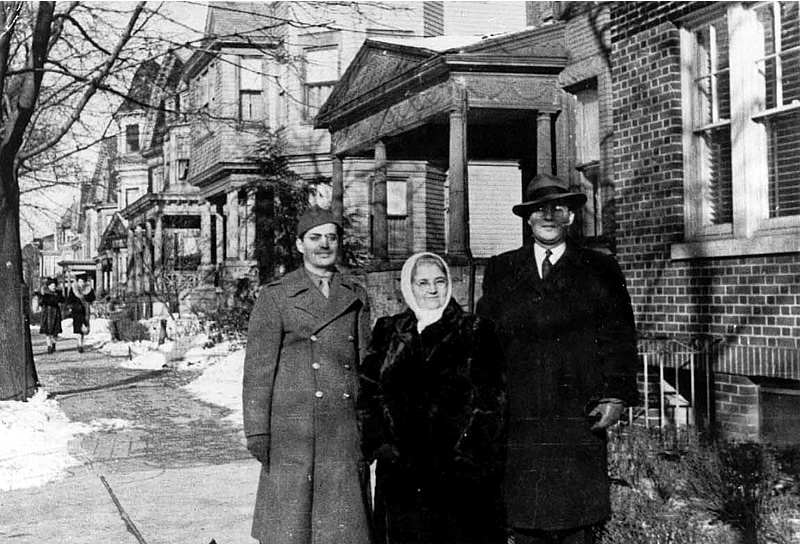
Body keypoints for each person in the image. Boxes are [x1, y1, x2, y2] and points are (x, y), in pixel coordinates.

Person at [476, 173, 639, 544]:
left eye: (558, 208)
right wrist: (488, 404)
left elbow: (619, 338)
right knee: (525, 516)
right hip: (521, 413)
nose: (548, 216)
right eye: (539, 210)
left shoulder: (600, 269)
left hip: (579, 410)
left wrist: (616, 395)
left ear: (571, 217)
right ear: (527, 218)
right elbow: (485, 343)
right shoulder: (502, 269)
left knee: (576, 520)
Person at [242, 206, 373, 544]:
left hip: (342, 430)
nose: (324, 244)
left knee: (342, 531)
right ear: (300, 245)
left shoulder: (354, 295)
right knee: (291, 529)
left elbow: (366, 367)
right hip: (293, 430)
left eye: (331, 237)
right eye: (315, 238)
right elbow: (258, 371)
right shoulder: (276, 296)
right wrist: (258, 430)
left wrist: (369, 426)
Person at [359, 252, 507, 544]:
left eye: (439, 281)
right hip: (402, 475)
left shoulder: (475, 329)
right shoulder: (389, 330)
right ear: (409, 286)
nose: (432, 290)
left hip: (459, 477)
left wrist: (467, 455)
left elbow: (492, 401)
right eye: (423, 282)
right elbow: (369, 391)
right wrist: (381, 444)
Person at [66, 274, 96, 353]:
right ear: (77, 281)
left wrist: (87, 299)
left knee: (84, 328)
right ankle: (80, 344)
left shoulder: (89, 289)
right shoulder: (73, 289)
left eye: (83, 281)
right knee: (78, 328)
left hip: (85, 311)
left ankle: (80, 342)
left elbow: (92, 298)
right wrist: (72, 306)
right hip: (77, 311)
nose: (81, 283)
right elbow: (70, 299)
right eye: (80, 281)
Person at [39, 277, 64, 353]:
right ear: (48, 286)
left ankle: (53, 344)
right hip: (47, 314)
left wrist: (58, 296)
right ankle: (49, 346)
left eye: (54, 285)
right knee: (48, 332)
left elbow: (63, 300)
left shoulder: (58, 293)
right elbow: (41, 302)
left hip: (56, 314)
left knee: (55, 332)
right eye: (52, 285)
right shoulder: (44, 294)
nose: (53, 286)